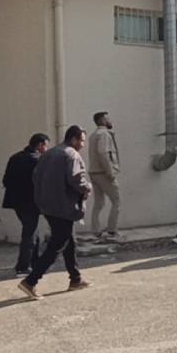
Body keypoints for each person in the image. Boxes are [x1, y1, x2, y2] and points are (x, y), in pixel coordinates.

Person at [18, 126, 91, 300]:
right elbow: (76, 179)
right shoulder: (71, 154)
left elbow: (36, 177)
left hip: (48, 206)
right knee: (58, 244)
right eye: (81, 140)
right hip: (64, 206)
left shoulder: (49, 154)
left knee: (69, 240)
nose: (82, 144)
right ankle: (31, 281)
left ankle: (75, 278)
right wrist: (87, 187)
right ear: (73, 139)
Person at [2, 133, 49, 275]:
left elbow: (6, 180)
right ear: (40, 145)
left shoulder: (15, 157)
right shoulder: (38, 160)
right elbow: (42, 182)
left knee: (32, 231)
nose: (46, 149)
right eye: (46, 146)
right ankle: (23, 266)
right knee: (29, 234)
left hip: (16, 202)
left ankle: (34, 262)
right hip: (31, 202)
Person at [87, 111, 122, 241]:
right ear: (102, 121)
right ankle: (112, 230)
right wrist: (110, 172)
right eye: (107, 119)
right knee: (117, 201)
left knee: (99, 203)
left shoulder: (94, 135)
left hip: (94, 173)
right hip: (103, 174)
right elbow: (103, 154)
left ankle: (95, 231)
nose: (110, 120)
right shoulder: (104, 134)